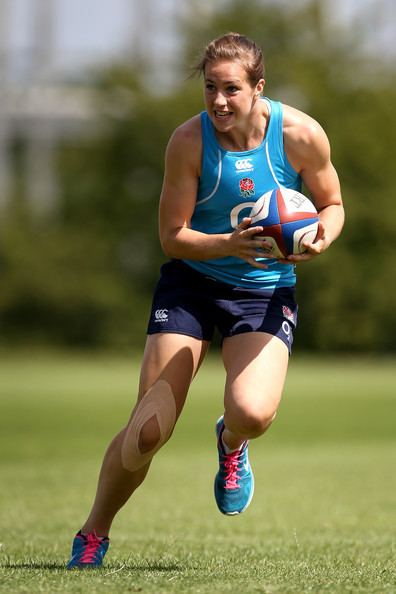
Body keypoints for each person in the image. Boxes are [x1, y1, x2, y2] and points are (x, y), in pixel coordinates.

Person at [66, 32, 344, 568]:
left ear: (259, 88)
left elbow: (332, 203)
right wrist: (228, 244)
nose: (218, 101)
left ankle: (232, 444)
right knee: (148, 430)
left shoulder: (301, 135)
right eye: (210, 88)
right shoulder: (188, 142)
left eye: (232, 89)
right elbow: (172, 236)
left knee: (252, 412)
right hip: (192, 284)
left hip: (263, 290)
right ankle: (93, 532)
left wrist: (321, 238)